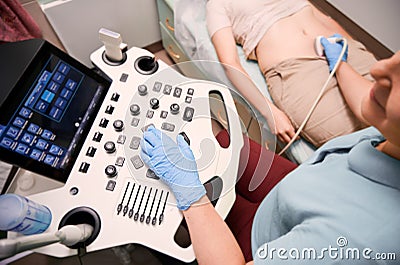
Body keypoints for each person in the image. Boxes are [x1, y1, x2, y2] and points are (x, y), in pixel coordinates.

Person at [140, 50, 400, 264]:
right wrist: (341, 63)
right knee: (223, 143)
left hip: (263, 243)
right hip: (299, 188)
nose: (378, 69)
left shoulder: (355, 239)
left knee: (168, 212)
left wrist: (190, 193)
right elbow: (368, 100)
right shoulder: (390, 131)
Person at [205, 0, 378, 148]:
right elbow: (229, 62)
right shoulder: (218, 5)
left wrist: (357, 48)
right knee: (352, 138)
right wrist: (270, 112)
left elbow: (326, 19)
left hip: (344, 52)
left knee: (390, 109)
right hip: (297, 71)